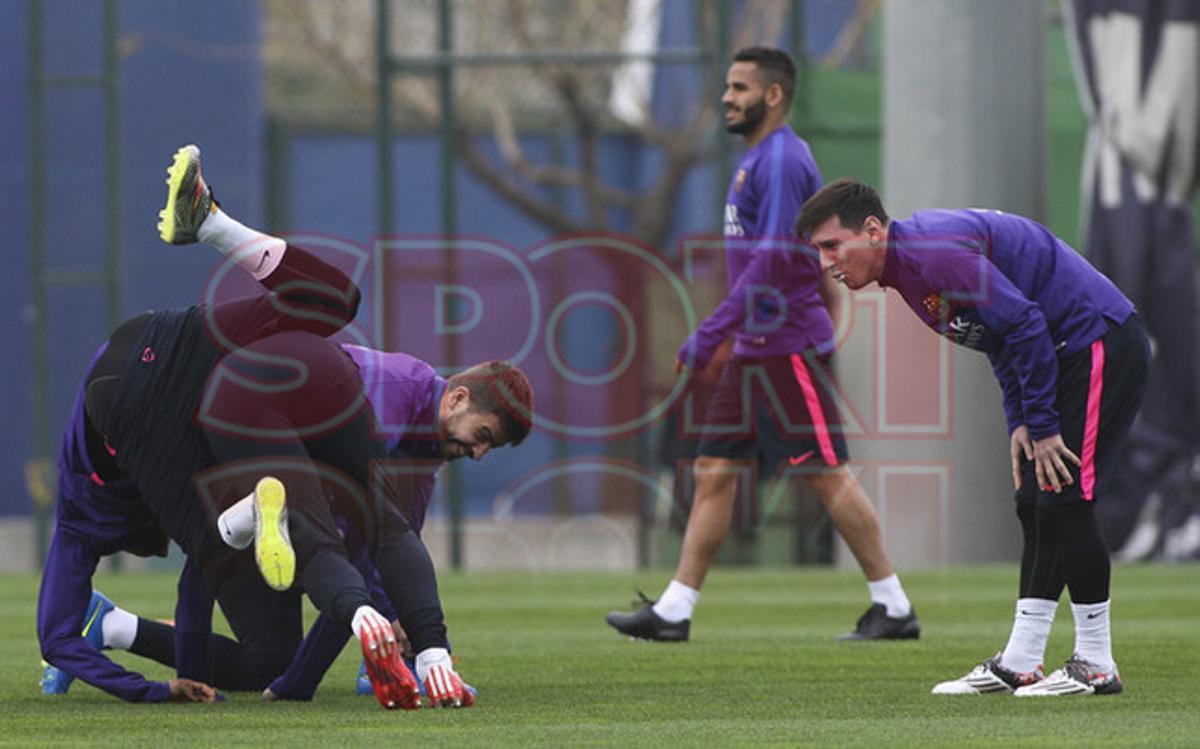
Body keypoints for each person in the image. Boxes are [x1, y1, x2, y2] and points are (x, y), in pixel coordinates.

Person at [37, 145, 532, 707]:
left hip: (179, 355)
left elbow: (383, 545)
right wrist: (171, 691)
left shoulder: (414, 438)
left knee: (337, 302)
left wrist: (406, 640)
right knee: (238, 540)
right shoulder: (85, 510)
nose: (480, 453)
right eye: (486, 437)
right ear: (460, 398)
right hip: (161, 386)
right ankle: (251, 517)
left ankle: (212, 222)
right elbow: (179, 585)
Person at [605, 47, 917, 643]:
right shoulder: (757, 159)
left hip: (786, 346)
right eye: (728, 85)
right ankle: (674, 610)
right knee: (714, 470)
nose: (728, 96)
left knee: (824, 473)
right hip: (756, 347)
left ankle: (894, 605)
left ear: (774, 95)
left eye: (740, 87)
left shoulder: (781, 159)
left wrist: (709, 332)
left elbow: (774, 260)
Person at [797, 178, 1149, 696]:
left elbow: (1026, 323)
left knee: (1065, 499)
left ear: (872, 230)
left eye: (833, 245)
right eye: (819, 251)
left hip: (1096, 339)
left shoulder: (931, 253)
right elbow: (998, 337)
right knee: (1034, 503)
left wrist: (1046, 425)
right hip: (1061, 353)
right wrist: (1022, 421)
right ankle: (1022, 660)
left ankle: (1097, 662)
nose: (827, 261)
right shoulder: (906, 271)